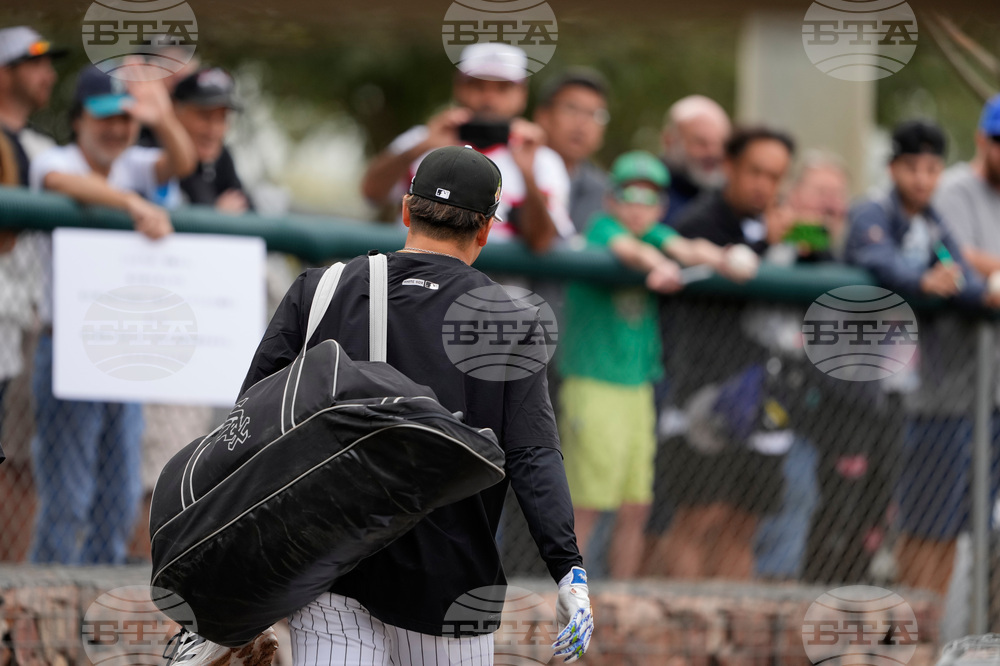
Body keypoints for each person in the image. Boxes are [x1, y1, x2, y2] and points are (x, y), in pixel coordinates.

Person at [168, 146, 593, 665]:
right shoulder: (509, 317)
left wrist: (225, 577)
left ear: (406, 211)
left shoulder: (320, 289)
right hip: (451, 585)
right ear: (484, 231)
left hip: (330, 568)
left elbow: (247, 427)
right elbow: (532, 454)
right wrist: (566, 567)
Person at [27, 65, 195, 564]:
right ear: (78, 118)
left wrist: (160, 115)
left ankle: (83, 610)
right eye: (106, 118)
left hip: (126, 349)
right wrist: (130, 203)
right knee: (67, 497)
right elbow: (57, 182)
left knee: (118, 497)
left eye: (126, 120)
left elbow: (182, 161)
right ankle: (41, 613)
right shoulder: (54, 159)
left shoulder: (134, 163)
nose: (117, 129)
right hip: (66, 345)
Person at [559, 150, 753, 579]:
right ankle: (568, 621)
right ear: (612, 200)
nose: (638, 206)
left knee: (636, 507)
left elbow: (687, 246)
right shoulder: (603, 227)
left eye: (649, 198)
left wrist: (722, 258)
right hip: (592, 383)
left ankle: (620, 614)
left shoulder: (658, 234)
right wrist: (659, 264)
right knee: (586, 507)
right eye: (629, 194)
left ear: (662, 206)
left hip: (637, 387)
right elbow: (628, 251)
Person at [845, 119, 999, 596]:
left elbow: (962, 278)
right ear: (892, 167)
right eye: (912, 167)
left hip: (946, 393)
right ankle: (910, 632)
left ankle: (931, 636)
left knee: (948, 527)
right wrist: (921, 280)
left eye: (932, 168)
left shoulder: (931, 220)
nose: (922, 179)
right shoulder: (872, 209)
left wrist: (980, 290)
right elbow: (876, 258)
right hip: (888, 397)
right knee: (919, 525)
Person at [645, 127, 795, 580]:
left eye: (775, 176)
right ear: (728, 166)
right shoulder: (700, 221)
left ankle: (726, 648)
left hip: (767, 394)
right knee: (698, 519)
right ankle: (679, 640)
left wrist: (793, 241)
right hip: (704, 395)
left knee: (741, 525)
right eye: (754, 171)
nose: (763, 185)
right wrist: (767, 243)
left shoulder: (781, 226)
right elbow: (737, 270)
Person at [361, 43, 573, 252]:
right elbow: (371, 192)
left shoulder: (542, 159)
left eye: (503, 88)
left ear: (522, 95)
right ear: (459, 87)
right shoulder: (422, 139)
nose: (489, 98)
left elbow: (542, 242)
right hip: (417, 281)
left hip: (497, 286)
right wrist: (423, 145)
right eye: (478, 85)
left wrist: (527, 173)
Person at [0, 25, 65, 561]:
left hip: (26, 313)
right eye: (33, 61)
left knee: (19, 455)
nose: (48, 72)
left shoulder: (45, 150)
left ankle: (12, 579)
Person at [533, 67, 610, 232]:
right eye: (571, 108)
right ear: (543, 116)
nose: (581, 123)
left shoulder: (606, 194)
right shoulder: (512, 173)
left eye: (594, 114)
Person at [170, 66, 251, 212]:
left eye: (222, 118)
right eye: (204, 116)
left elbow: (248, 207)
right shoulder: (153, 152)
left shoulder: (221, 157)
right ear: (176, 111)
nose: (213, 130)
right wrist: (217, 217)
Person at [659, 95, 731, 226]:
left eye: (719, 144)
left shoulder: (728, 195)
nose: (713, 152)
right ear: (669, 141)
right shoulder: (648, 185)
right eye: (701, 143)